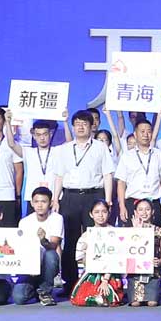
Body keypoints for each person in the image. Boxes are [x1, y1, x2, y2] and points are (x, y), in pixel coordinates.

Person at [50, 111, 117, 293]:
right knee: (70, 241)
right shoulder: (64, 149)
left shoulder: (100, 147)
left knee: (95, 239)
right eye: (77, 123)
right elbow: (59, 175)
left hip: (93, 195)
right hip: (70, 196)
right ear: (73, 127)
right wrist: (55, 198)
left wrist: (107, 199)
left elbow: (107, 174)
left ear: (91, 126)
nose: (80, 127)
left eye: (84, 124)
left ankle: (95, 282)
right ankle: (70, 283)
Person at [13, 186, 64, 305]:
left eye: (43, 202)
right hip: (29, 265)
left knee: (51, 255)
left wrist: (43, 240)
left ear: (50, 203)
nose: (40, 205)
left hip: (47, 265)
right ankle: (37, 289)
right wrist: (27, 267)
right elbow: (21, 248)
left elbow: (53, 245)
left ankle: (45, 291)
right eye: (36, 201)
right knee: (19, 298)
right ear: (31, 203)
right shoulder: (24, 222)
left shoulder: (57, 218)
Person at [69, 199, 125, 307]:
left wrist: (105, 280)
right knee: (80, 299)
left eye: (104, 212)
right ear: (91, 214)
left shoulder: (116, 233)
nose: (100, 215)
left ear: (109, 213)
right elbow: (83, 262)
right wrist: (86, 252)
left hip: (111, 272)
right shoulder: (86, 235)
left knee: (109, 298)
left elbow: (117, 260)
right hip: (93, 272)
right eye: (97, 212)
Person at [122, 196, 161, 307]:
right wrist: (136, 231)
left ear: (152, 212)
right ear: (135, 212)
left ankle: (156, 292)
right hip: (135, 272)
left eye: (147, 209)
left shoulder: (159, 231)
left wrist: (159, 261)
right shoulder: (129, 231)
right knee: (135, 303)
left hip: (153, 272)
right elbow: (124, 252)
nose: (144, 213)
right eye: (140, 210)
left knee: (152, 303)